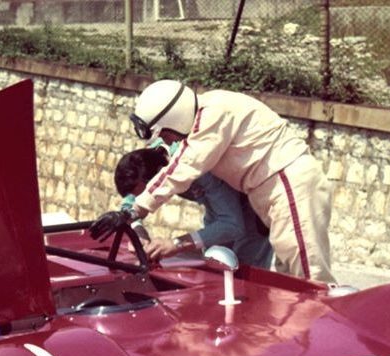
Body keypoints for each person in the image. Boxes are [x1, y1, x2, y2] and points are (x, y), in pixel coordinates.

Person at [93, 79, 335, 284]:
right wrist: (127, 211)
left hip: (288, 183)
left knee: (311, 278)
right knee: (291, 284)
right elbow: (153, 178)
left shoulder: (212, 116)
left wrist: (138, 212)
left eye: (165, 133)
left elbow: (182, 167)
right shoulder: (202, 116)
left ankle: (331, 336)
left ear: (175, 119)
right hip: (274, 190)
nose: (166, 141)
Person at [113, 146, 273, 268]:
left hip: (254, 209)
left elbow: (233, 225)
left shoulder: (198, 169)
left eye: (148, 193)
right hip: (219, 209)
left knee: (244, 275)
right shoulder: (146, 161)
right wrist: (139, 232)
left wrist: (176, 244)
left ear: (158, 177)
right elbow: (130, 204)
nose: (147, 199)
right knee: (214, 267)